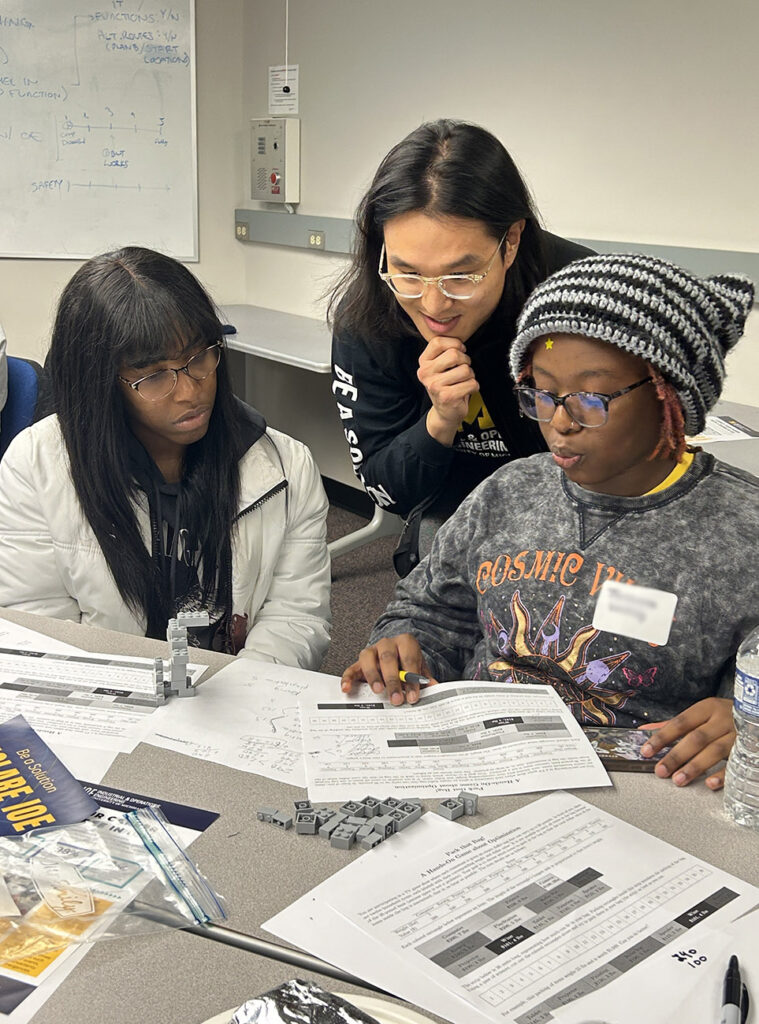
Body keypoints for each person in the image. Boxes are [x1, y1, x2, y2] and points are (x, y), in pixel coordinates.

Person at [341, 253, 758, 790]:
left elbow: (742, 708)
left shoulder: (741, 537)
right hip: (480, 766)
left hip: (645, 790)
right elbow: (430, 611)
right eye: (541, 393)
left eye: (591, 397)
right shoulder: (509, 491)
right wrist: (404, 642)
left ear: (669, 397)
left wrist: (740, 719)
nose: (559, 422)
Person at [0, 247, 331, 669]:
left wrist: (244, 698)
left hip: (241, 705)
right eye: (154, 375)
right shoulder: (35, 466)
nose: (191, 391)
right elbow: (42, 635)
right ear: (99, 382)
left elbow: (296, 618)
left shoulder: (286, 467)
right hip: (111, 709)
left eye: (199, 358)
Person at [329, 119, 593, 574]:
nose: (433, 305)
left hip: (582, 496)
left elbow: (633, 450)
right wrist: (439, 421)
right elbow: (387, 490)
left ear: (510, 242)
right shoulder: (368, 320)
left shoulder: (581, 297)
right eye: (408, 273)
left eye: (460, 276)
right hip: (456, 501)